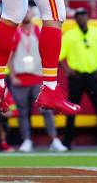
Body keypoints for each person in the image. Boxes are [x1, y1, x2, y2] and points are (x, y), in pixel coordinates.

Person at [8, 11, 68, 153]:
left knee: (46, 110)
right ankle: (27, 140)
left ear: (32, 15)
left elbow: (48, 50)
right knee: (23, 112)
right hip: (21, 78)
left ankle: (54, 140)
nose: (26, 14)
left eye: (28, 12)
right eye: (24, 12)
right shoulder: (16, 33)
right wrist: (12, 76)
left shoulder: (38, 30)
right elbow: (10, 55)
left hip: (37, 76)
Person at [60, 8, 97, 149]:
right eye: (79, 16)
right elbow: (60, 56)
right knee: (71, 109)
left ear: (88, 17)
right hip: (77, 76)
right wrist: (68, 71)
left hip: (93, 75)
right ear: (75, 19)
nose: (81, 18)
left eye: (83, 15)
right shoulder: (69, 35)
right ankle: (68, 140)